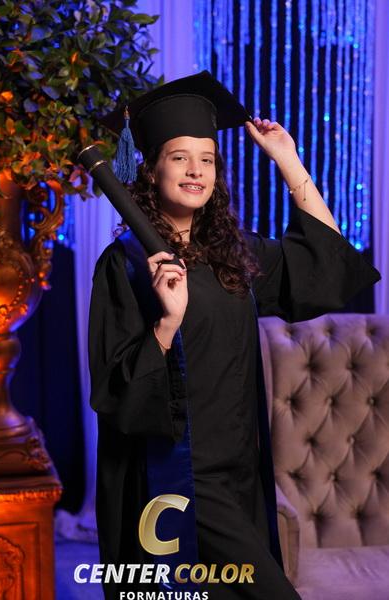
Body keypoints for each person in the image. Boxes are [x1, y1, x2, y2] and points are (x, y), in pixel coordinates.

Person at [88, 71, 380, 600]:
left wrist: (289, 161)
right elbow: (115, 392)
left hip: (241, 472)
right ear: (151, 168)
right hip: (178, 478)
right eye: (179, 157)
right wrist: (167, 321)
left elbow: (326, 265)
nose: (196, 170)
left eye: (207, 159)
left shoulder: (233, 256)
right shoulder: (126, 264)